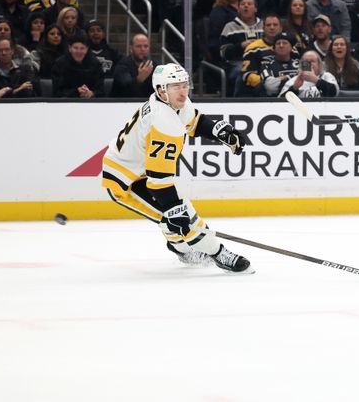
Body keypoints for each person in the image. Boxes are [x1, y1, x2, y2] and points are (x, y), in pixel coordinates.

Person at [102, 63, 251, 273]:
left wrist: (219, 131)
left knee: (172, 215)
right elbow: (159, 181)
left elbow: (194, 122)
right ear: (161, 90)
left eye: (184, 85)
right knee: (181, 213)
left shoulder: (170, 102)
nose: (183, 91)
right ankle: (218, 253)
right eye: (176, 87)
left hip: (140, 171)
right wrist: (175, 210)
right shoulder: (162, 121)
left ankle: (180, 248)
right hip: (124, 181)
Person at [112, 34, 156, 98]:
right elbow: (126, 88)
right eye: (138, 46)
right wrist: (139, 79)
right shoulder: (122, 65)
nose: (143, 49)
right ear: (131, 48)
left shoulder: (154, 65)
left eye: (146, 46)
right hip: (123, 104)